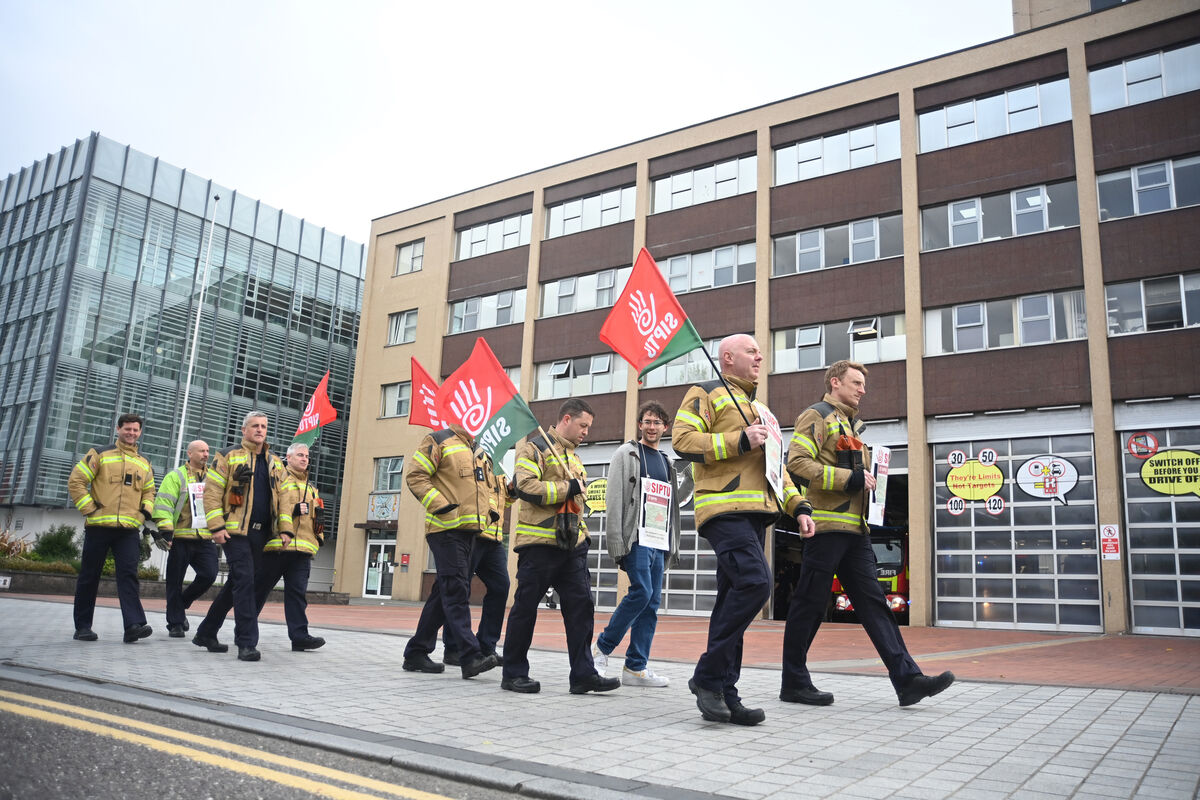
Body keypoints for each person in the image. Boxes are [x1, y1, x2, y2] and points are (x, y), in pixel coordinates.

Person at [783, 360, 954, 707]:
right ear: (835, 383)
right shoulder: (817, 415)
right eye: (856, 383)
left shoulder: (849, 423)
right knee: (810, 606)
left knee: (875, 604)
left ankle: (908, 680)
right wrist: (851, 479)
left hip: (855, 531)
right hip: (826, 528)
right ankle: (794, 682)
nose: (863, 389)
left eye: (863, 384)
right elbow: (797, 463)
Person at [672, 334, 814, 726]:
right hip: (724, 509)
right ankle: (706, 676)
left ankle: (724, 692)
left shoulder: (762, 410)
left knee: (729, 605)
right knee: (755, 583)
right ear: (727, 357)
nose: (759, 357)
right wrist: (739, 439)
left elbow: (776, 467)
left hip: (757, 515)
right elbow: (682, 440)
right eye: (751, 351)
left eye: (760, 352)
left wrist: (798, 507)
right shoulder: (706, 392)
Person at [501, 398, 618, 695]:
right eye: (583, 425)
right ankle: (513, 673)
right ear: (566, 419)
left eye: (588, 427)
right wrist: (568, 487)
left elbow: (576, 503)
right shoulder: (534, 448)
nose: (586, 432)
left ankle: (583, 675)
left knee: (581, 609)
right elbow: (525, 486)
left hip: (572, 546)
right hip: (539, 545)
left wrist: (584, 535)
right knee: (525, 609)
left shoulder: (574, 458)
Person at [593, 400, 693, 687]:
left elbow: (673, 504)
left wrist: (672, 542)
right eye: (647, 421)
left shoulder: (666, 461)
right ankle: (601, 649)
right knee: (642, 592)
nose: (651, 427)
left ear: (665, 427)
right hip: (636, 537)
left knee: (652, 603)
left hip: (658, 539)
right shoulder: (626, 454)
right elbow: (614, 499)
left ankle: (636, 668)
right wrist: (616, 541)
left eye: (657, 422)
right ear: (640, 425)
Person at [401, 423, 506, 679]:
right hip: (444, 529)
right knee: (457, 589)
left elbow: (487, 490)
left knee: (445, 592)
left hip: (471, 532)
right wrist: (442, 506)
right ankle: (470, 656)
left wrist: (491, 513)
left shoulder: (479, 451)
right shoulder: (438, 440)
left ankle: (416, 652)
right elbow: (415, 476)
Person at [193, 411, 286, 662]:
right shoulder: (227, 456)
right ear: (244, 430)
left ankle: (206, 632)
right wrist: (216, 527)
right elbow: (211, 494)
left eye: (264, 426)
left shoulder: (276, 462)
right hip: (235, 532)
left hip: (263, 534)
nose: (260, 430)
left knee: (236, 582)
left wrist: (285, 530)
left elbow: (284, 499)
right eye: (255, 426)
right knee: (245, 582)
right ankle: (247, 643)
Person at [67, 413, 156, 643]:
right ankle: (83, 627)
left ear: (140, 432)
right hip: (99, 527)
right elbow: (76, 481)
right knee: (89, 576)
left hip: (128, 530)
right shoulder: (100, 454)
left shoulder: (144, 462)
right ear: (118, 429)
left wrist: (143, 514)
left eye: (135, 430)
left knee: (129, 575)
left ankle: (133, 626)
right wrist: (89, 509)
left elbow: (149, 491)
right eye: (127, 429)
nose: (131, 433)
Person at [253, 442, 328, 652]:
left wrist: (318, 539)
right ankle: (245, 629)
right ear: (289, 457)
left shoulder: (312, 488)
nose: (305, 459)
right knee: (259, 592)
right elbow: (267, 508)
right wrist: (293, 510)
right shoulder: (278, 479)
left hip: (302, 551)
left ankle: (300, 637)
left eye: (307, 456)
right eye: (300, 455)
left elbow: (317, 517)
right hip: (277, 547)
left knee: (297, 596)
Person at [152, 439, 218, 638]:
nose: (206, 454)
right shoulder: (176, 476)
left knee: (209, 575)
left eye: (207, 451)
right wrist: (166, 531)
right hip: (180, 537)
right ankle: (175, 623)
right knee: (174, 581)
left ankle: (180, 604)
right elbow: (164, 504)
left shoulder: (214, 478)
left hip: (204, 537)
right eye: (201, 451)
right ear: (190, 453)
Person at [439, 510, 511, 667]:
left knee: (501, 586)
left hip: (494, 537)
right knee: (460, 589)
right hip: (470, 533)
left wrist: (511, 496)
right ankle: (453, 649)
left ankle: (487, 646)